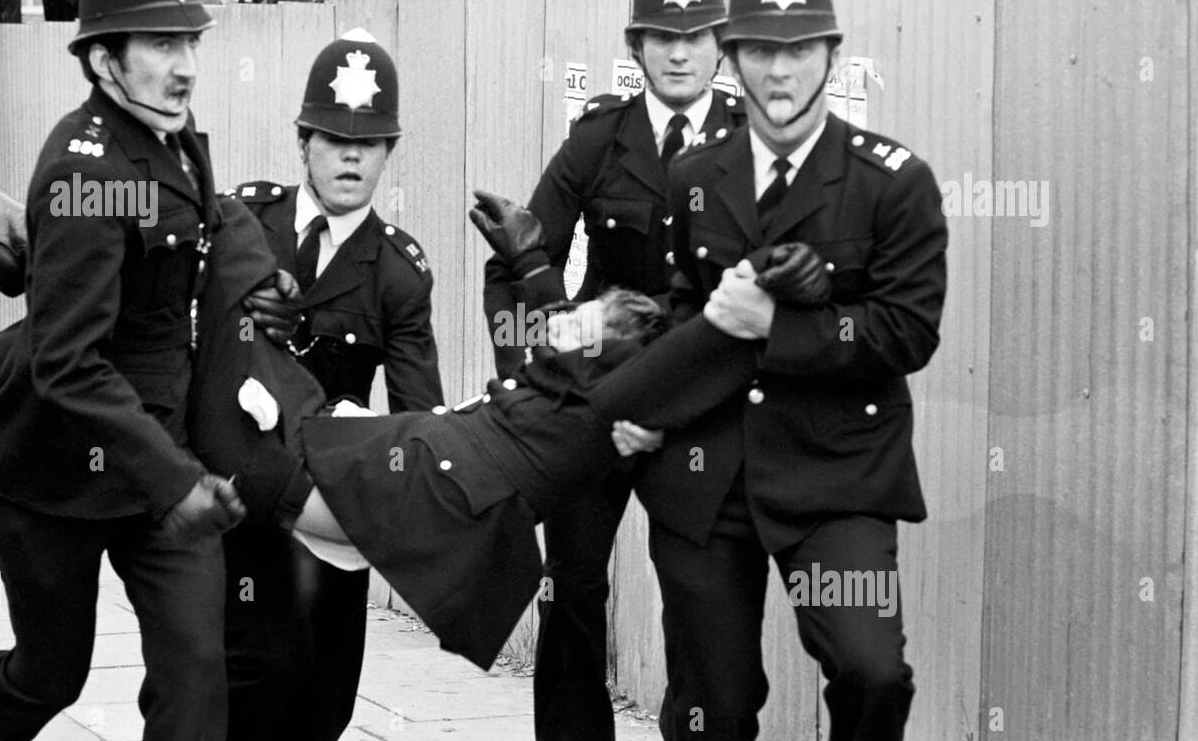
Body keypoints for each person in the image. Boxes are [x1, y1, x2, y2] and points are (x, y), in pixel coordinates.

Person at [186, 191, 834, 673]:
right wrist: (527, 262)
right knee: (263, 434)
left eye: (750, 278)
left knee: (257, 468)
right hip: (434, 452)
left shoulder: (664, 370)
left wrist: (733, 325)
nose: (733, 278)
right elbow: (562, 334)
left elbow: (615, 380)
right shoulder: (634, 339)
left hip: (447, 488)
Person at [0, 0, 251, 741]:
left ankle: (8, 262)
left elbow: (204, 231)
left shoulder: (170, 134)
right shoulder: (83, 169)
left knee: (197, 669)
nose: (185, 64)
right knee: (48, 673)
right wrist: (178, 481)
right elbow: (68, 360)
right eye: (160, 43)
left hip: (156, 465)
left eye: (190, 40)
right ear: (104, 59)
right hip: (54, 479)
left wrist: (266, 280)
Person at [634, 0, 949, 741]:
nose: (781, 72)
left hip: (837, 473)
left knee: (873, 671)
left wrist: (784, 328)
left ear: (832, 56)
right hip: (709, 477)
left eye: (800, 49)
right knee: (713, 706)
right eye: (763, 50)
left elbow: (908, 330)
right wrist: (645, 409)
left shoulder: (893, 182)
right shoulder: (694, 175)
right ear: (732, 57)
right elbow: (682, 310)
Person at [481, 0, 745, 741]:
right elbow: (520, 259)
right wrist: (549, 372)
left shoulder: (751, 145)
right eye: (661, 35)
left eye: (696, 34)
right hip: (599, 409)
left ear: (720, 44)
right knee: (572, 589)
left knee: (699, 600)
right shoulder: (600, 140)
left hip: (698, 416)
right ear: (636, 45)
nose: (678, 50)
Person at [223, 30, 443, 741]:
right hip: (238, 489)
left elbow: (417, 409)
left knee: (328, 700)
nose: (351, 157)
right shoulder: (245, 223)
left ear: (390, 151)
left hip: (328, 505)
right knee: (264, 667)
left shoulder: (399, 272)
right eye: (335, 138)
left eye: (370, 143)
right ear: (303, 141)